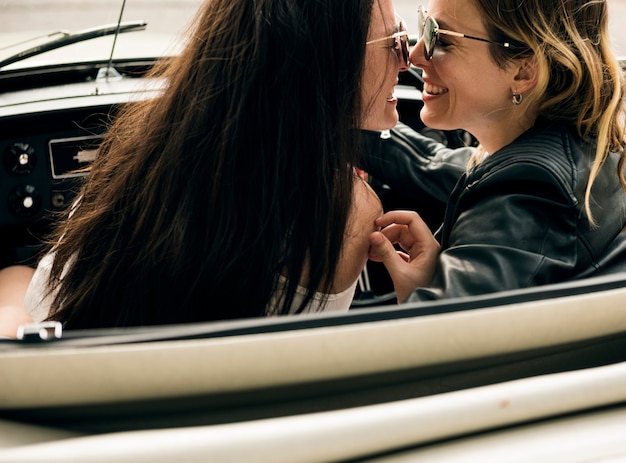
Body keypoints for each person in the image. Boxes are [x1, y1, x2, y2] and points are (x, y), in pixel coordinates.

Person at [0, 0, 411, 333]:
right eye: (395, 39)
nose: (406, 60)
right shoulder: (344, 211)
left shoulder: (140, 147)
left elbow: (48, 303)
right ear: (329, 59)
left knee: (13, 276)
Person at [367, 0, 626, 303]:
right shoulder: (581, 145)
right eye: (425, 25)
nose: (414, 54)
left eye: (442, 38)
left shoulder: (527, 190)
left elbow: (436, 342)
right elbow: (437, 164)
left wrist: (420, 299)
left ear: (523, 71)